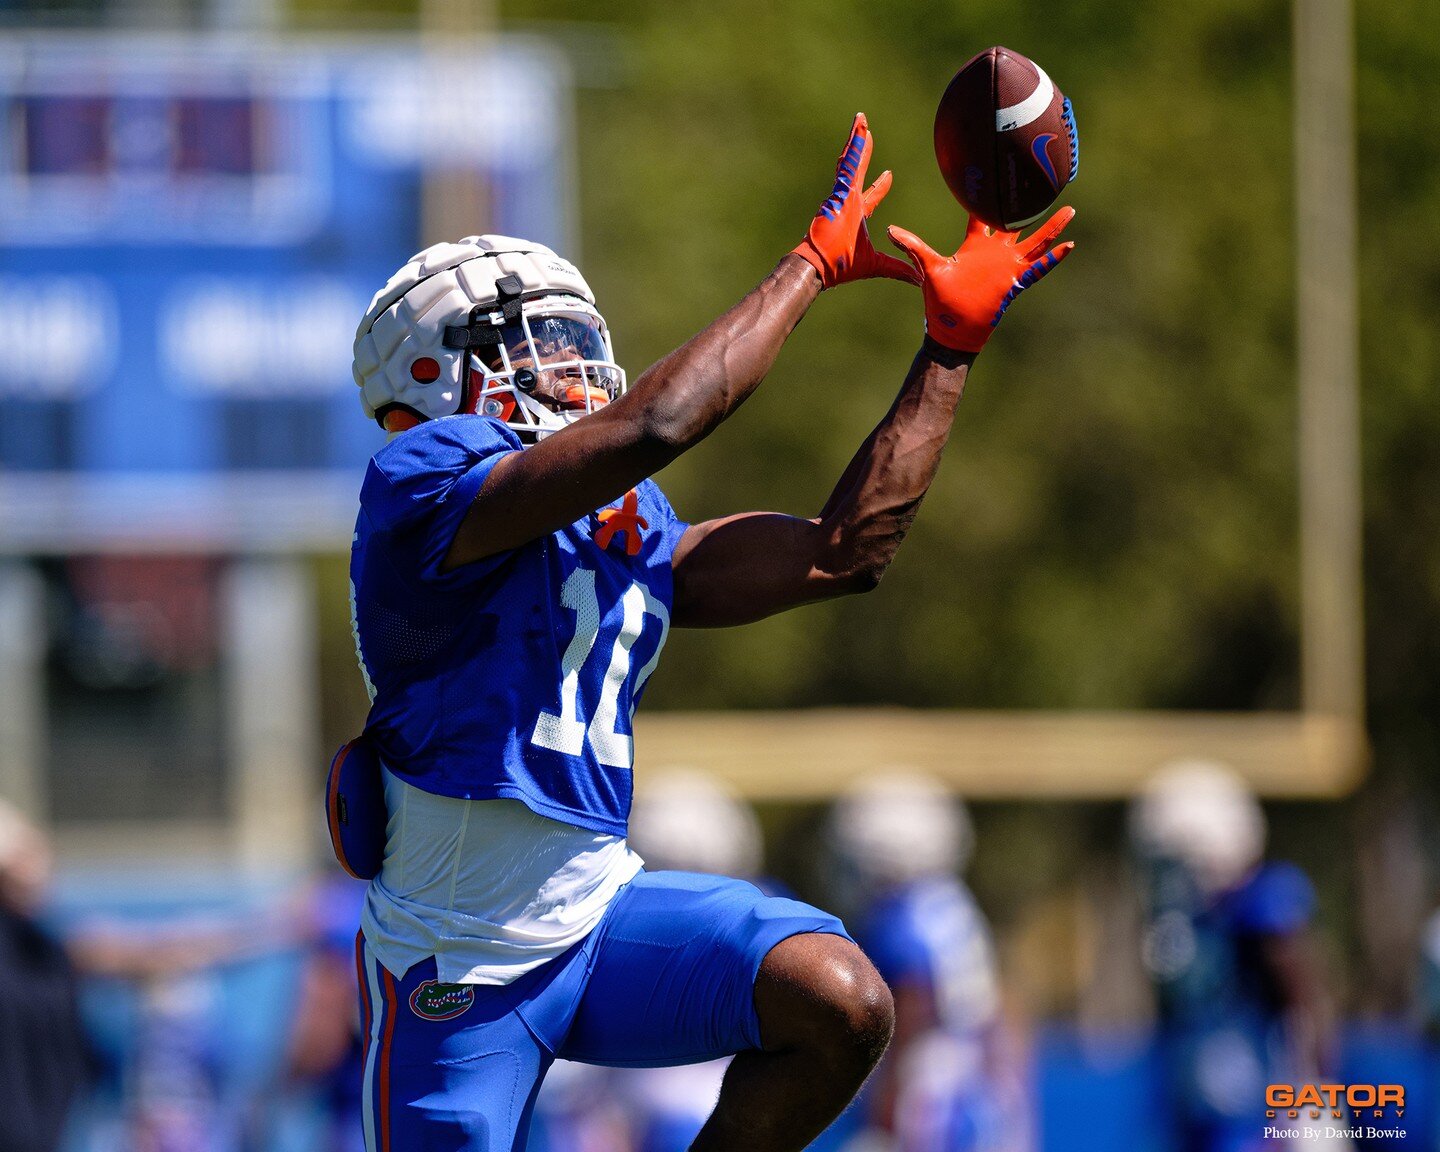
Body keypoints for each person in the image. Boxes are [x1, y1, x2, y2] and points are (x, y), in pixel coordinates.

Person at [346, 113, 1074, 1152]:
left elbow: (843, 551)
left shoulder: (626, 523)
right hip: (450, 962)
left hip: (599, 917)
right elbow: (658, 423)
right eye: (530, 339)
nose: (568, 361)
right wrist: (810, 265)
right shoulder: (419, 485)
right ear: (429, 376)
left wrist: (948, 352)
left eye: (573, 336)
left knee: (840, 1001)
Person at [1129, 760, 1332, 1152]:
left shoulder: (1261, 902)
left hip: (1253, 1104)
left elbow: (1307, 999)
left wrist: (1315, 1097)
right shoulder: (1182, 922)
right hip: (1191, 1102)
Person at [826, 773, 1031, 1152]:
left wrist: (884, 1106)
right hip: (973, 1091)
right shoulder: (956, 904)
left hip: (927, 1101)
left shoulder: (901, 917)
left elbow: (911, 1008)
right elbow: (1002, 1010)